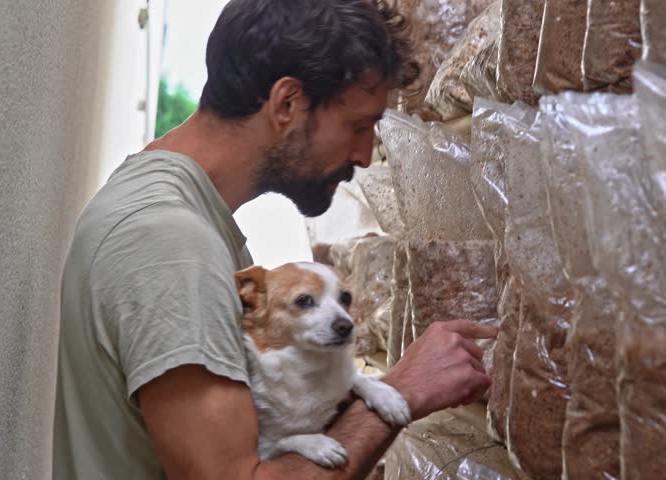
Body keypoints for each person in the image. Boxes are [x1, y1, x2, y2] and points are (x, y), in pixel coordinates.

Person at [52, 1, 496, 479]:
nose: (366, 155)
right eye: (358, 126)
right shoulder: (170, 245)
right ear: (287, 104)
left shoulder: (174, 209)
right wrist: (402, 393)